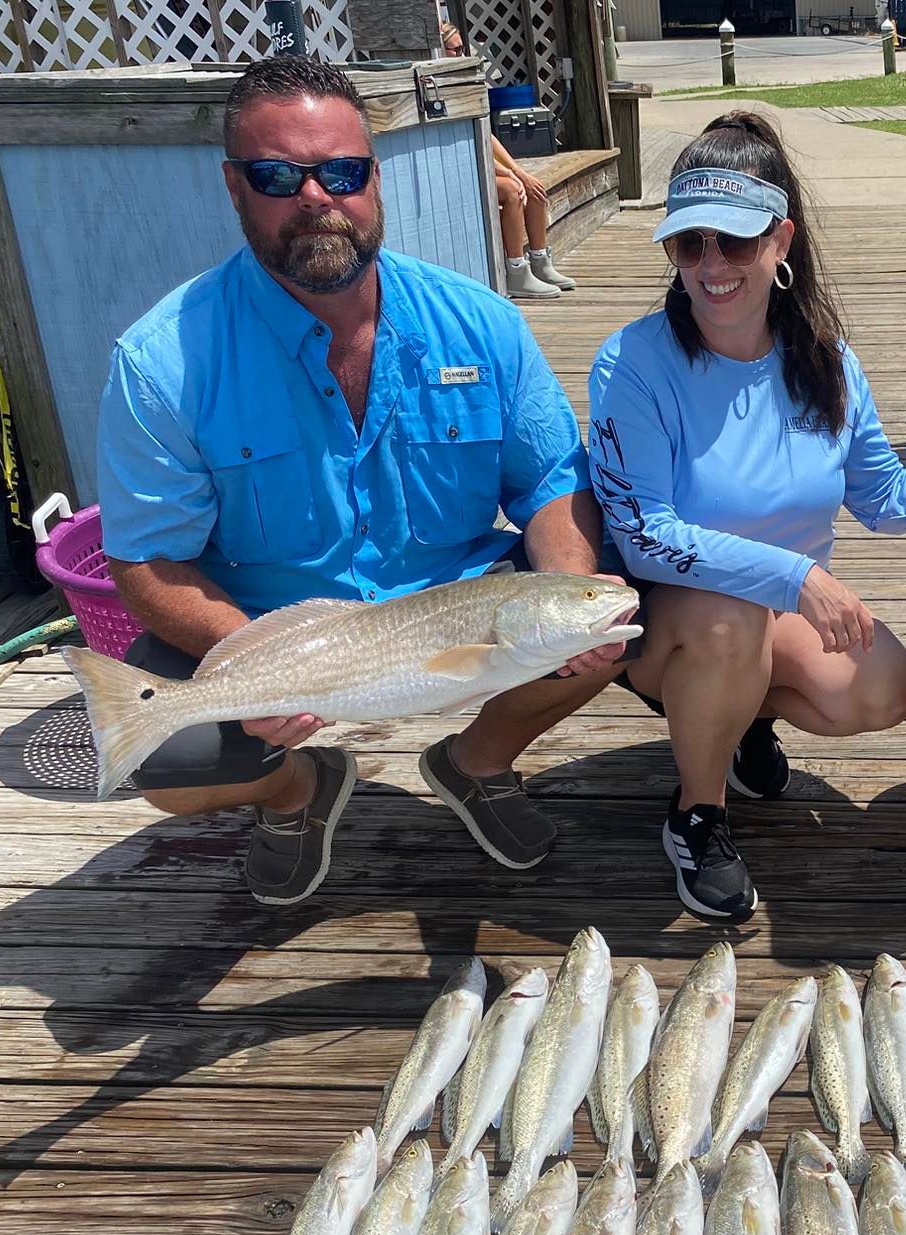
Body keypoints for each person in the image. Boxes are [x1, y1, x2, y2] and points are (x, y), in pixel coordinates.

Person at [95, 55, 624, 907]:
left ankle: (473, 763)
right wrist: (254, 664)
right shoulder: (159, 363)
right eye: (278, 175)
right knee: (172, 764)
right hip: (271, 629)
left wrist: (567, 591)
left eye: (341, 171)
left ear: (374, 179)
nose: (315, 197)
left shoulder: (480, 320)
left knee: (598, 616)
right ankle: (297, 794)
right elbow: (147, 562)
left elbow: (552, 483)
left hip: (453, 599)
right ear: (234, 188)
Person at [587, 112, 906, 921]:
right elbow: (645, 533)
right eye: (688, 243)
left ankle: (737, 722)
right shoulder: (632, 362)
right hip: (668, 626)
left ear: (782, 240)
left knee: (882, 690)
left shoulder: (827, 358)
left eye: (735, 243)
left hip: (773, 614)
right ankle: (698, 813)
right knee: (731, 620)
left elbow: (884, 500)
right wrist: (799, 575)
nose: (711, 266)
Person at [441, 20, 575, 300]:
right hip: (458, 166)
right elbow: (471, 146)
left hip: (478, 159)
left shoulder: (463, 83)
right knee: (513, 190)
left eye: (461, 48)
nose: (460, 54)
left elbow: (485, 136)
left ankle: (540, 260)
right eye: (454, 50)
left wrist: (517, 169)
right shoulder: (442, 89)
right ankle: (516, 270)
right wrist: (513, 175)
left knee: (532, 185)